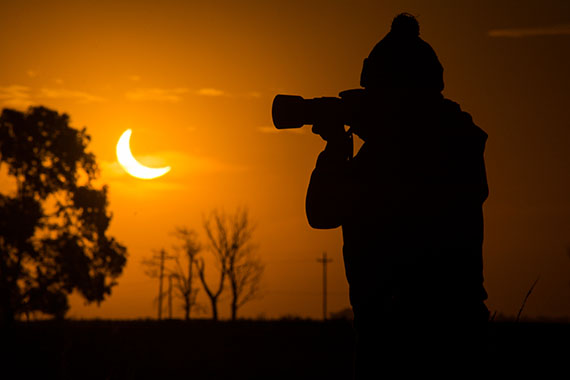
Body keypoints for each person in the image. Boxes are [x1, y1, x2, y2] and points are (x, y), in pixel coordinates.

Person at [305, 13, 490, 377]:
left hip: (396, 339)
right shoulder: (457, 142)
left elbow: (323, 212)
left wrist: (335, 150)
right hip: (459, 334)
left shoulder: (399, 155)